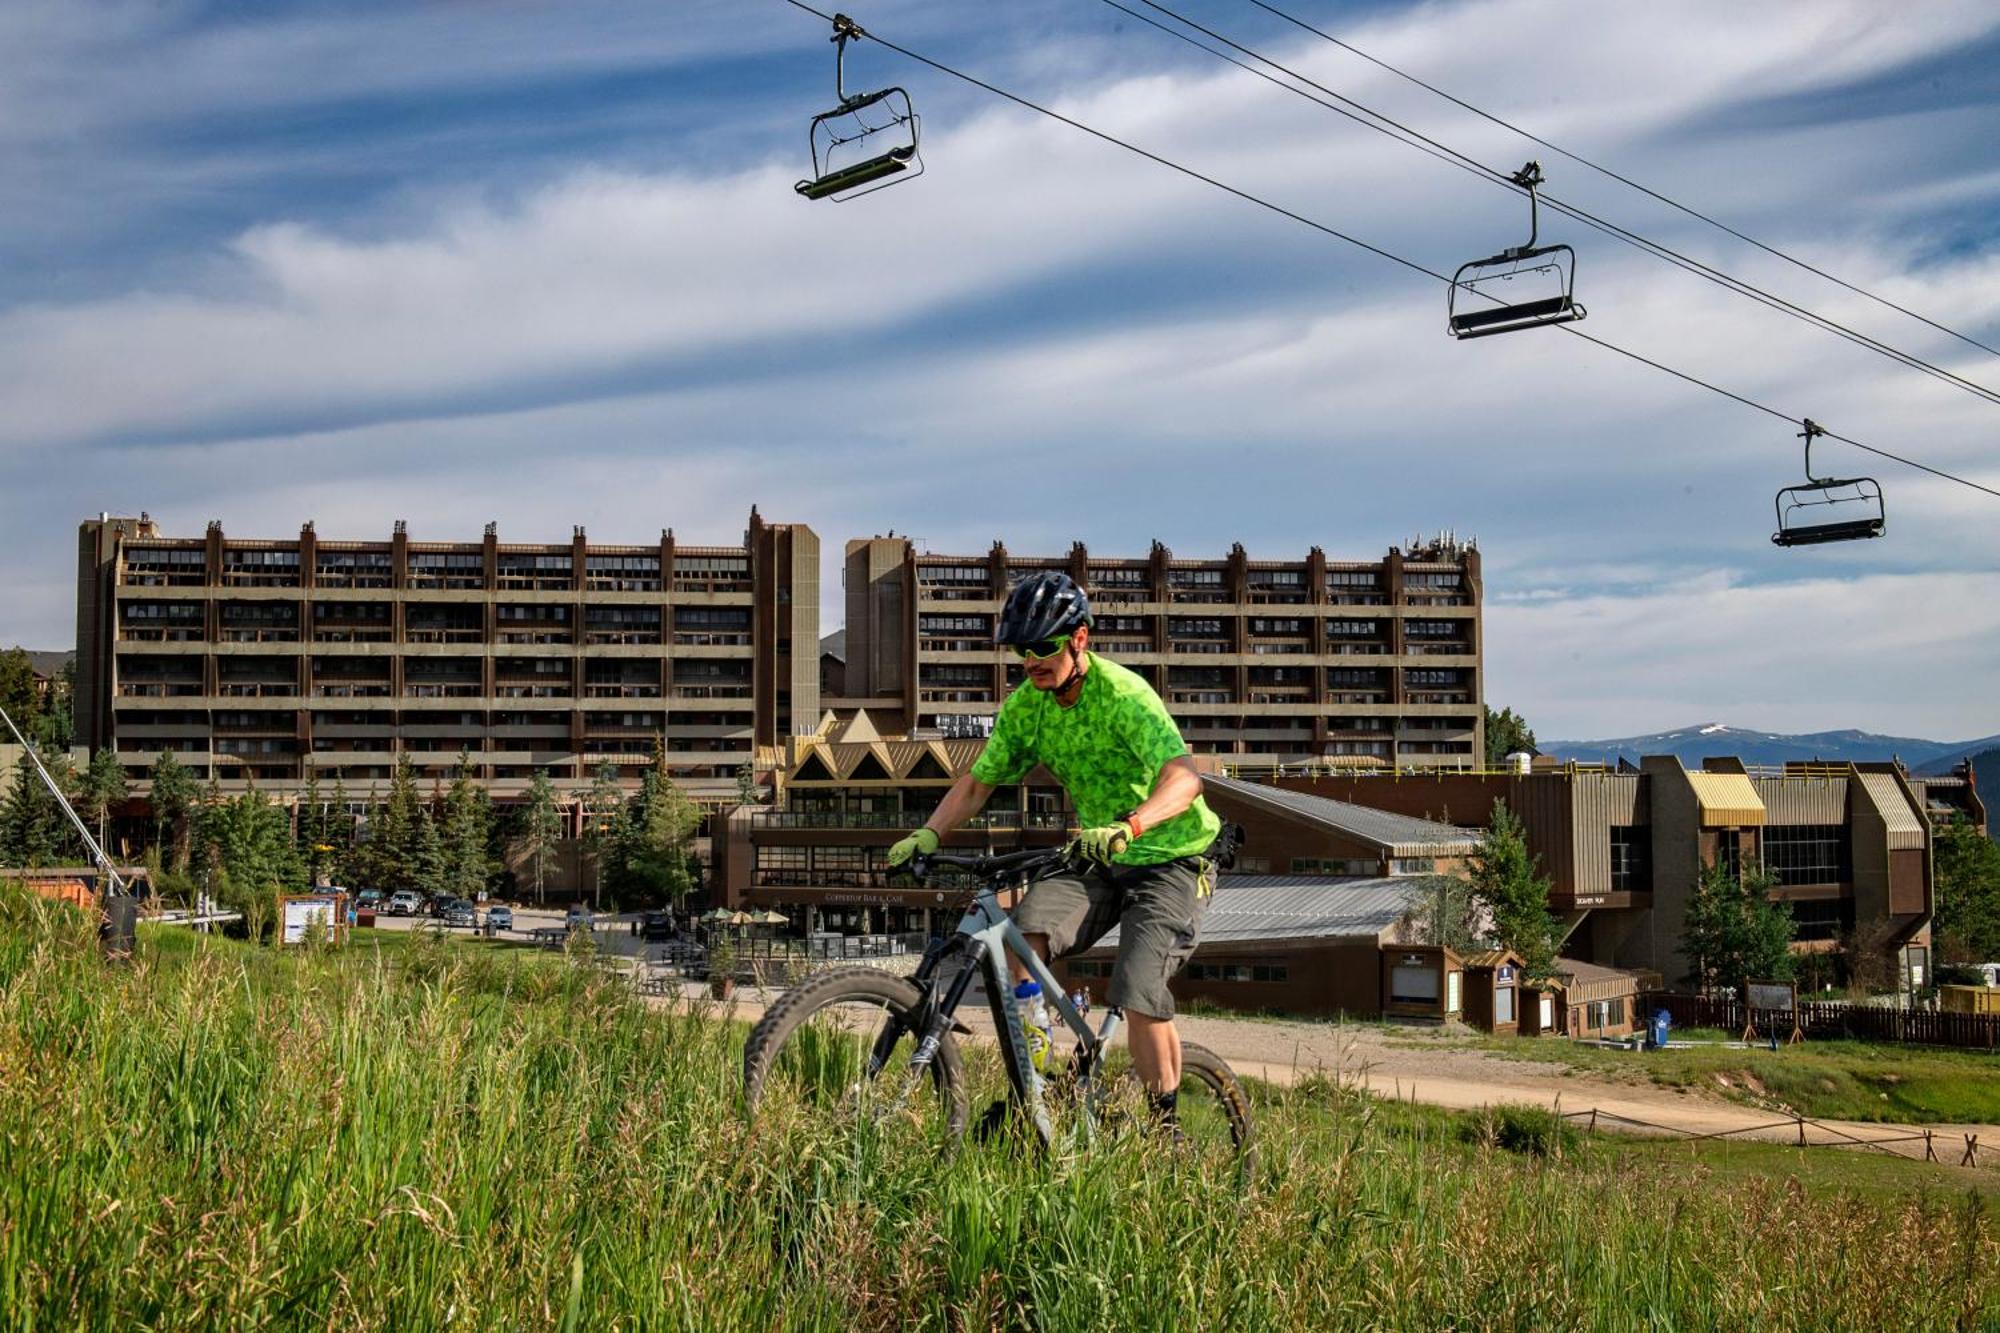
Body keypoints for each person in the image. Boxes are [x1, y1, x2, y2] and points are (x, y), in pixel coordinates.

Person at [887, 570, 1221, 1130]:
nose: (1031, 660)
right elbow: (978, 783)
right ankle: (1037, 1065)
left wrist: (1132, 826)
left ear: (1079, 640)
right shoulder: (1027, 707)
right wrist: (930, 833)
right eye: (1021, 650)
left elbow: (1186, 780)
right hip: (1099, 858)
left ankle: (1167, 1135)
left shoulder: (1123, 696)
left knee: (1137, 990)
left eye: (1043, 647)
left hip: (1171, 857)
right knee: (1024, 935)